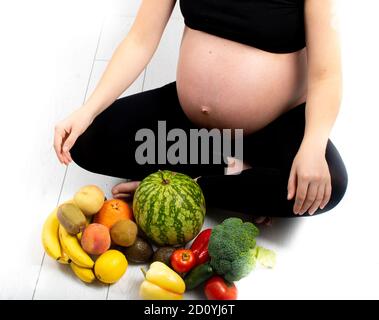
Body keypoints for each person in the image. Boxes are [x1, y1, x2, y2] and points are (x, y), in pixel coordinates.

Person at [53, 0, 348, 219]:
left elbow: (326, 75)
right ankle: (236, 173)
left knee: (329, 184)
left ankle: (198, 187)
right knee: (86, 140)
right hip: (193, 129)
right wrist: (87, 110)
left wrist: (312, 145)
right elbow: (140, 40)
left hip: (270, 130)